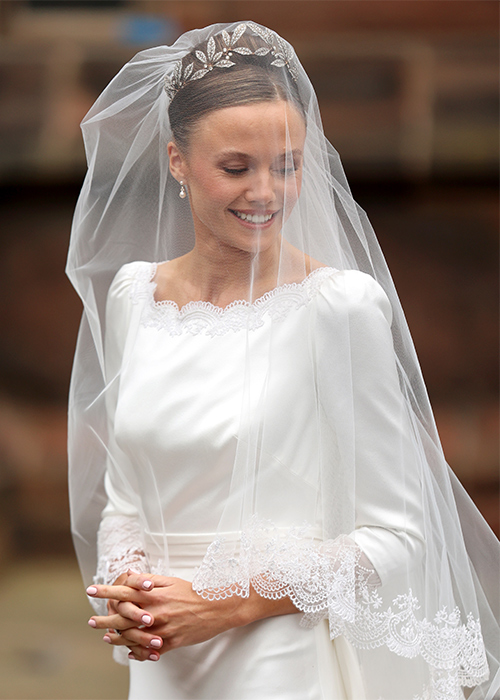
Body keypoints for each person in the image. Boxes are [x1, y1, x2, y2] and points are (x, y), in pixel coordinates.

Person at [66, 21, 499, 700]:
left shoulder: (337, 308)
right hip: (166, 658)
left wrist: (224, 603)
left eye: (288, 165)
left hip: (278, 659)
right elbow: (125, 497)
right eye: (236, 167)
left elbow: (396, 537)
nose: (266, 191)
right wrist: (134, 592)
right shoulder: (134, 297)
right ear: (177, 161)